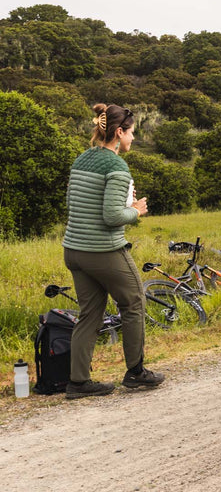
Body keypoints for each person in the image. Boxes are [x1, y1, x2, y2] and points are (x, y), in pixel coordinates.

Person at [62, 103, 164, 399]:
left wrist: (121, 204)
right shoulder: (116, 166)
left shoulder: (83, 158)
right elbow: (111, 217)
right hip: (103, 250)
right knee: (134, 302)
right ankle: (136, 373)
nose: (133, 139)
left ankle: (78, 382)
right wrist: (135, 211)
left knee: (89, 314)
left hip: (74, 250)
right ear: (119, 132)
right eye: (132, 133)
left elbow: (77, 204)